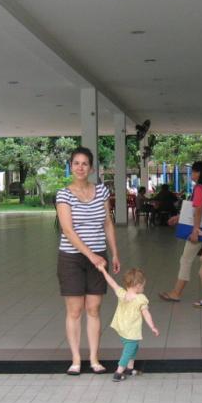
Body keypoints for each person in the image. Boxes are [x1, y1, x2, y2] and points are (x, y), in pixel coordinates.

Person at [55, 147, 120, 376]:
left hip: (99, 256)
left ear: (91, 168)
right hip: (71, 259)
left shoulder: (102, 191)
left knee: (94, 308)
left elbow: (107, 223)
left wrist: (114, 253)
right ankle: (75, 358)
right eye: (76, 163)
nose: (80, 167)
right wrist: (91, 255)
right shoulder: (63, 194)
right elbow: (68, 230)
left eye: (85, 164)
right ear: (71, 167)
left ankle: (93, 358)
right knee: (75, 310)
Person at [159, 160, 202, 303]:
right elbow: (195, 208)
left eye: (194, 171)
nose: (193, 173)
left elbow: (198, 210)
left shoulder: (198, 188)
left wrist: (195, 231)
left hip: (199, 231)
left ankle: (176, 293)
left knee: (185, 260)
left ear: (199, 173)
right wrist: (179, 217)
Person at [98, 266, 159, 382]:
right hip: (131, 331)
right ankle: (118, 372)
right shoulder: (141, 298)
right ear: (138, 286)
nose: (143, 288)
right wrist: (152, 327)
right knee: (128, 351)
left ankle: (130, 369)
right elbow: (146, 314)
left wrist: (103, 271)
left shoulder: (122, 293)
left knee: (134, 348)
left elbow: (112, 282)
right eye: (143, 286)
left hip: (122, 329)